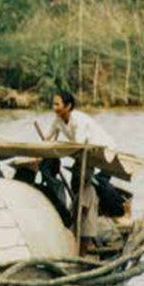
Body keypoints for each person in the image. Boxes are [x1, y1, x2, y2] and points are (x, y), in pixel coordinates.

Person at [42, 90, 119, 254]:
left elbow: (78, 144)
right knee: (77, 183)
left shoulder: (78, 120)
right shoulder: (58, 120)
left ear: (68, 106)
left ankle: (90, 227)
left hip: (101, 151)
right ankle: (77, 219)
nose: (54, 107)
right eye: (53, 104)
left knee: (87, 183)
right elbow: (47, 139)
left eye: (57, 104)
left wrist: (59, 147)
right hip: (84, 153)